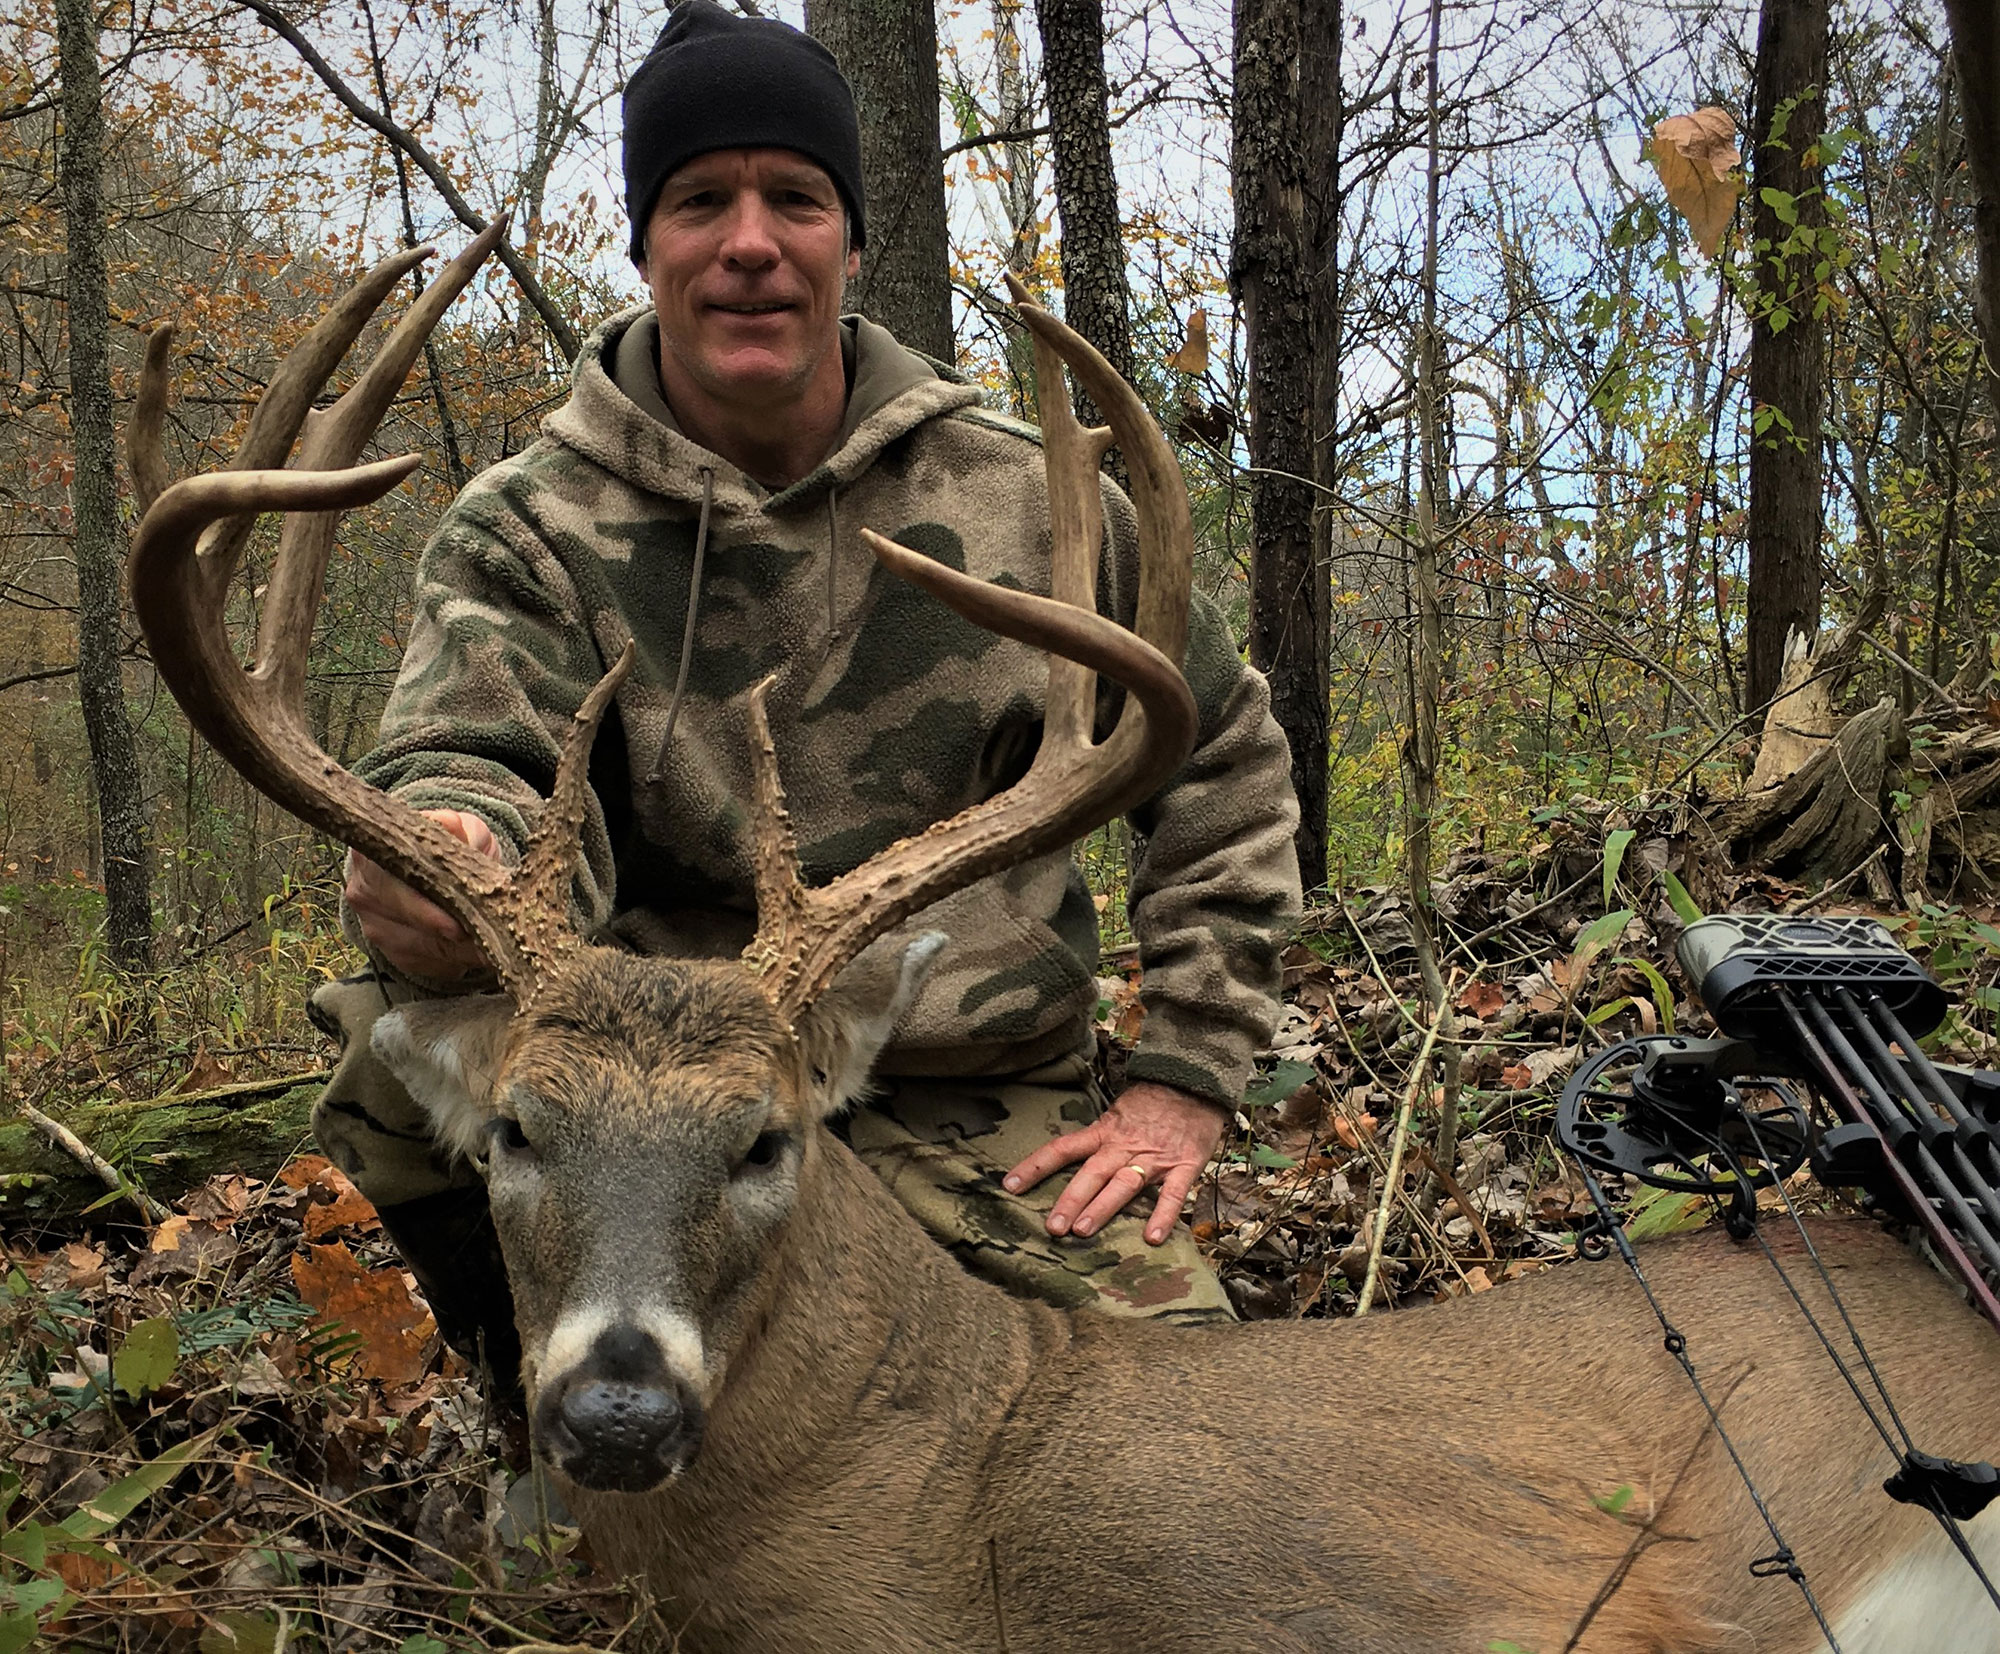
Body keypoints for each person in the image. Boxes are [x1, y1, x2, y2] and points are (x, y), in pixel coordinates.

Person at [310, 0, 1301, 1401]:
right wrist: (452, 840)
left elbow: (1225, 762)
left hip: (968, 1085)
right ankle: (542, 1417)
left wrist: (1187, 1075)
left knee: (1183, 1436)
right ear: (646, 238)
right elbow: (477, 748)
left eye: (796, 196)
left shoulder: (1028, 499)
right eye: (702, 198)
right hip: (643, 1099)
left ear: (852, 233)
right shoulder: (529, 526)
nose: (751, 241)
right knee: (385, 1044)